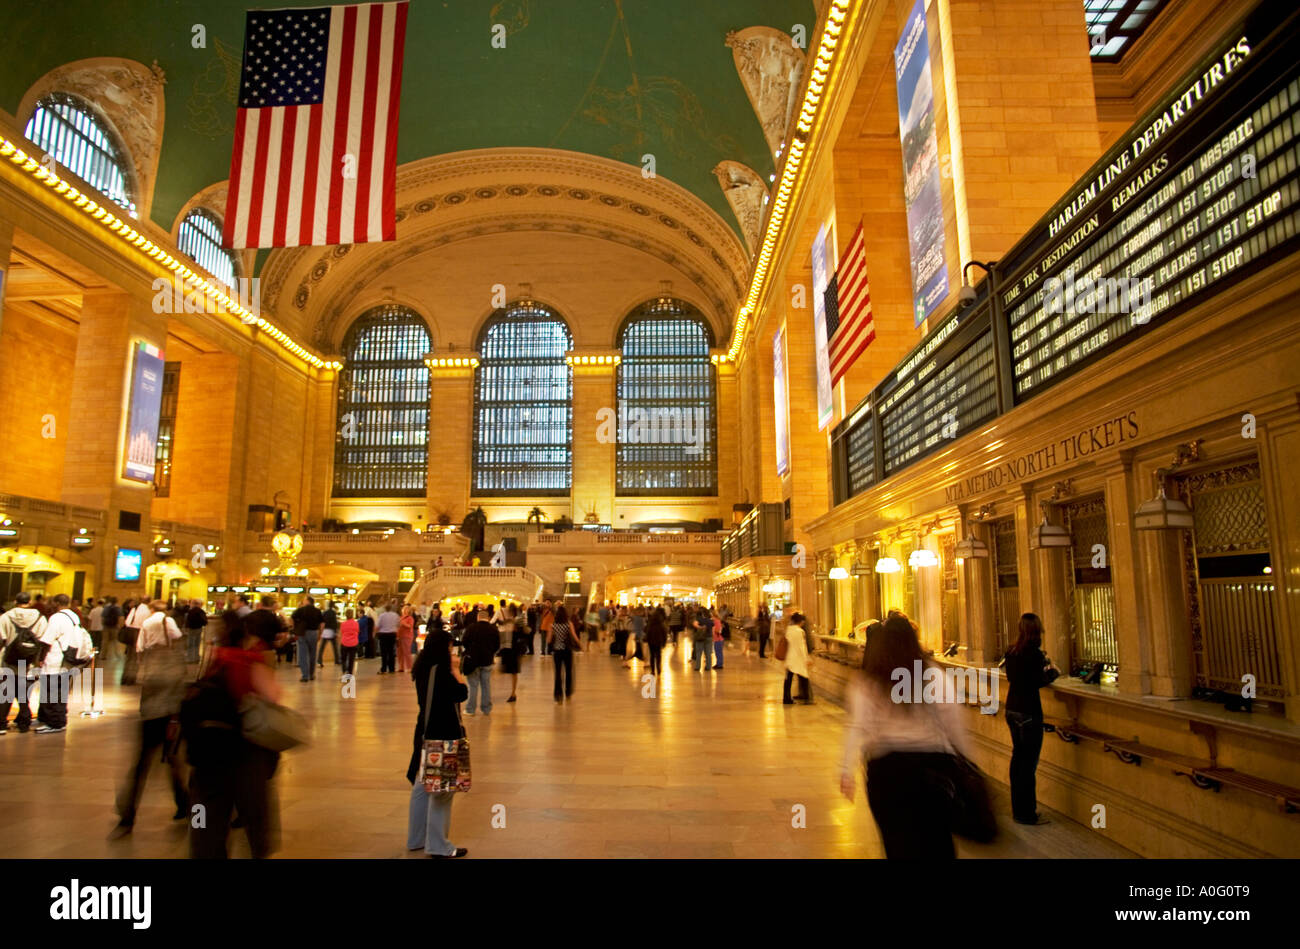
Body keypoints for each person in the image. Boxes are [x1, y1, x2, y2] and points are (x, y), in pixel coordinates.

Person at [838, 612, 972, 859]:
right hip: (931, 770)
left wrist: (847, 770)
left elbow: (857, 727)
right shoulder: (932, 674)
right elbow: (953, 721)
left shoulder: (869, 680)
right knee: (937, 841)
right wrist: (964, 761)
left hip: (887, 772)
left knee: (897, 843)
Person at [187, 614, 286, 859]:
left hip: (208, 752)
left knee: (206, 814)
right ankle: (257, 850)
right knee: (255, 813)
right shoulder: (250, 661)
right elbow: (273, 698)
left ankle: (205, 847)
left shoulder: (215, 660)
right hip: (244, 750)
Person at [112, 602, 187, 838]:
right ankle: (185, 805)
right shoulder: (175, 657)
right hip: (169, 718)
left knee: (143, 765)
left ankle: (128, 814)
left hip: (152, 716)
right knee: (173, 763)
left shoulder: (151, 653)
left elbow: (139, 650)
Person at [406, 627, 469, 858]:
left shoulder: (422, 667)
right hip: (442, 734)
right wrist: (456, 671)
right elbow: (461, 694)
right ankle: (438, 845)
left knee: (421, 786)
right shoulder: (442, 671)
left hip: (424, 730)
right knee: (442, 791)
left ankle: (416, 838)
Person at [1003, 612, 1060, 826]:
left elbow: (1012, 678)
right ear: (1037, 631)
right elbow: (1037, 681)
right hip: (1029, 712)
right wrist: (1052, 673)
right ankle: (1027, 813)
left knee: (1017, 760)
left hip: (1012, 709)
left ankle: (1018, 809)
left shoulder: (1011, 651)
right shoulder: (1034, 654)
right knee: (1028, 765)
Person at [35, 594, 94, 733]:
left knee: (51, 692)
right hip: (68, 659)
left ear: (56, 603)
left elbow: (47, 640)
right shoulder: (73, 616)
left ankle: (54, 723)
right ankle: (53, 719)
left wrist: (40, 658)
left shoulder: (56, 618)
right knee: (61, 691)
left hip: (56, 659)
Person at [0, 592, 47, 734]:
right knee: (24, 692)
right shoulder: (40, 618)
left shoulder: (5, 617)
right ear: (30, 601)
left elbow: (1, 639)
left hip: (9, 660)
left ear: (15, 601)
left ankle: (1, 723)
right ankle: (24, 722)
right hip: (29, 661)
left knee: (5, 692)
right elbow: (43, 640)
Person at [462, 610, 498, 716]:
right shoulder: (493, 629)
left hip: (473, 660)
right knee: (486, 685)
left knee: (473, 685)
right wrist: (491, 653)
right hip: (487, 660)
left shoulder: (471, 628)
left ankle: (470, 709)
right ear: (488, 618)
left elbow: (464, 642)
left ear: (478, 617)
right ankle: (486, 708)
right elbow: (497, 645)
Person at [548, 605, 578, 703]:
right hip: (567, 651)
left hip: (557, 651)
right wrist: (580, 644)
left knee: (558, 673)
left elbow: (548, 640)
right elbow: (574, 636)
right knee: (568, 672)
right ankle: (568, 693)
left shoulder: (552, 625)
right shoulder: (569, 624)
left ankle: (558, 695)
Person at [782, 611, 813, 704]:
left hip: (790, 657)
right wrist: (806, 658)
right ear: (800, 621)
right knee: (804, 678)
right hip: (798, 658)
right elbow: (802, 647)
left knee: (788, 679)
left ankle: (786, 698)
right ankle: (807, 698)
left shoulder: (788, 630)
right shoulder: (800, 632)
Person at [291, 596, 323, 682]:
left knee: (303, 654)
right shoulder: (317, 611)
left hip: (303, 633)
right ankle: (311, 674)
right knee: (312, 654)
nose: (303, 601)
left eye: (304, 600)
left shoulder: (300, 610)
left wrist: (295, 629)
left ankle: (305, 676)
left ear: (307, 601)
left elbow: (292, 618)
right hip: (314, 633)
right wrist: (320, 633)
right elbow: (321, 623)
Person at [497, 605, 522, 703]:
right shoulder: (511, 622)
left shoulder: (515, 622)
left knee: (512, 672)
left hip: (510, 650)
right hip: (510, 650)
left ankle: (513, 693)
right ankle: (512, 692)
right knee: (512, 672)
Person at [376, 602, 401, 674]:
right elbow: (399, 624)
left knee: (384, 652)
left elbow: (378, 625)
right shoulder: (395, 615)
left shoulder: (381, 615)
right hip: (392, 634)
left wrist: (375, 633)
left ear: (384, 608)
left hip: (383, 635)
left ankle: (383, 668)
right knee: (391, 652)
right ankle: (392, 668)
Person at [645, 607, 667, 678]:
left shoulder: (650, 624)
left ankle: (653, 670)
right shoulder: (661, 625)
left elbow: (647, 632)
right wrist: (664, 642)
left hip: (651, 641)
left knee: (652, 656)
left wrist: (647, 639)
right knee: (658, 655)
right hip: (658, 641)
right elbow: (664, 633)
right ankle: (658, 668)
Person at [318, 601, 341, 668]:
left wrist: (321, 631)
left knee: (322, 647)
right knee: (335, 647)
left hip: (325, 631)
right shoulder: (333, 612)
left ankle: (319, 661)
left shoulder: (324, 612)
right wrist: (336, 631)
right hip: (331, 631)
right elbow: (334, 623)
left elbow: (321, 622)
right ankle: (337, 660)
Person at [689, 605, 712, 671]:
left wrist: (700, 627)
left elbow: (694, 624)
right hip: (709, 637)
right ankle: (708, 667)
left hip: (700, 637)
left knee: (699, 652)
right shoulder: (709, 620)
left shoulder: (699, 619)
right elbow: (713, 628)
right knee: (708, 653)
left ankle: (698, 667)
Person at [184, 599, 207, 664]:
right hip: (199, 629)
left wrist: (186, 628)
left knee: (190, 644)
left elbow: (187, 621)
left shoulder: (190, 611)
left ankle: (190, 658)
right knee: (197, 644)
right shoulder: (201, 611)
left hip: (191, 629)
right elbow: (205, 622)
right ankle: (196, 658)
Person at [397, 604, 416, 674]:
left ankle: (409, 667)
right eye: (403, 609)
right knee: (399, 652)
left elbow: (410, 626)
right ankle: (401, 667)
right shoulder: (401, 617)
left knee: (407, 652)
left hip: (407, 636)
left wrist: (403, 623)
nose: (404, 610)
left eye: (406, 609)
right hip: (399, 636)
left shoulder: (410, 618)